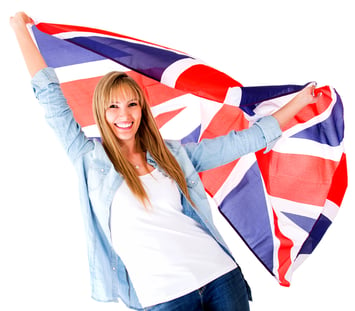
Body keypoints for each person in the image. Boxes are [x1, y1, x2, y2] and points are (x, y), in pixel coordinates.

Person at [10, 11, 320, 311]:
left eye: (132, 104)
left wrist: (299, 102)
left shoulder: (173, 155)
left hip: (220, 277)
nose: (124, 114)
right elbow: (50, 96)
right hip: (164, 297)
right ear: (101, 113)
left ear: (142, 108)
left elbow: (242, 142)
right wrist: (20, 30)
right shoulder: (89, 158)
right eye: (113, 106)